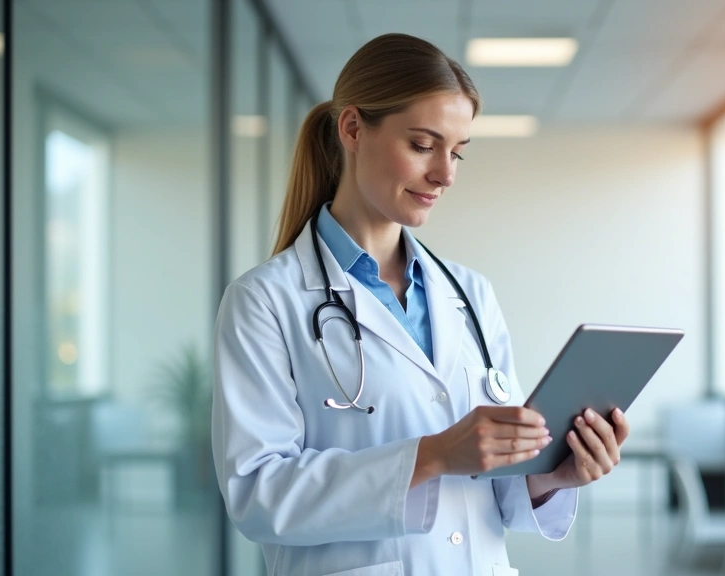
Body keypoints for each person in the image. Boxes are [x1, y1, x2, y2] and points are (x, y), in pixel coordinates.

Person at [212, 32, 631, 576]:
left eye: (456, 152)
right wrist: (430, 456)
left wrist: (552, 475)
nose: (445, 174)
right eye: (422, 145)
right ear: (353, 128)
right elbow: (258, 494)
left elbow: (492, 487)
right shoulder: (265, 301)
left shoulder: (470, 295)